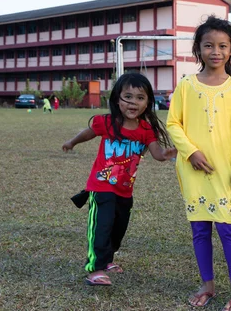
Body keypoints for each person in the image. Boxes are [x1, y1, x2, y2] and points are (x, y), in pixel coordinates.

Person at [166, 15, 231, 311]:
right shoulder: (186, 85)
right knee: (200, 230)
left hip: (225, 172)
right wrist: (190, 152)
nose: (216, 51)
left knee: (228, 231)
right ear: (198, 49)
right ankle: (208, 285)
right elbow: (173, 123)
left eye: (223, 46)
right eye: (209, 45)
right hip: (192, 170)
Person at [62, 73, 176, 287]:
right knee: (101, 227)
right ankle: (94, 268)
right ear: (117, 99)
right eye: (128, 97)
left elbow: (157, 154)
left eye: (140, 98)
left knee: (118, 229)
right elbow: (88, 133)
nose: (134, 102)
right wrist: (71, 142)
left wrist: (167, 154)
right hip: (101, 187)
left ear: (148, 102)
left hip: (125, 191)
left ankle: (107, 260)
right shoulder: (106, 122)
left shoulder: (145, 129)